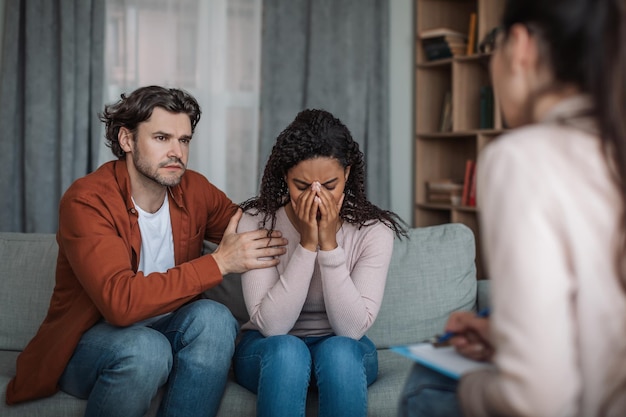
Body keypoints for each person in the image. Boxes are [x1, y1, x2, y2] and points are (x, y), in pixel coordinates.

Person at [399, 0, 626, 416]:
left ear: (520, 46)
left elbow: (538, 401)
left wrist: (471, 388)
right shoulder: (612, 151)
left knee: (427, 384)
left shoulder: (523, 158)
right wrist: (506, 336)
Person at [4, 85, 288, 417]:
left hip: (169, 330)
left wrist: (311, 214)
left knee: (215, 320)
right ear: (126, 140)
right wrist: (219, 262)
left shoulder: (194, 189)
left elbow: (256, 227)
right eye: (161, 138)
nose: (177, 152)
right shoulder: (88, 201)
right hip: (86, 345)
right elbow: (120, 305)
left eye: (184, 140)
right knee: (145, 348)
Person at [232, 109, 407, 417]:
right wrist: (307, 244)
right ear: (286, 175)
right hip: (269, 350)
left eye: (329, 185)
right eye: (302, 186)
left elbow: (351, 330)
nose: (315, 197)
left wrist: (329, 246)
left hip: (343, 349)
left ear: (347, 175)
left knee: (339, 351)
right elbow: (273, 327)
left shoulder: (374, 231)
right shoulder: (257, 222)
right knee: (288, 351)